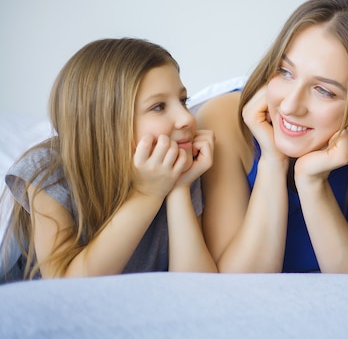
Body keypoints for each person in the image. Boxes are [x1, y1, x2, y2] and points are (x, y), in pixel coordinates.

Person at [196, 0, 348, 273]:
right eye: (285, 72)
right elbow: (238, 285)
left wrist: (312, 184)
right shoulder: (224, 119)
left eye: (323, 90)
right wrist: (272, 161)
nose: (290, 106)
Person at [1, 38, 217, 281]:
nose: (186, 118)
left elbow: (198, 288)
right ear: (105, 123)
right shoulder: (48, 170)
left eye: (183, 101)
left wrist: (180, 187)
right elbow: (65, 287)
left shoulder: (177, 163)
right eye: (158, 107)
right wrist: (147, 194)